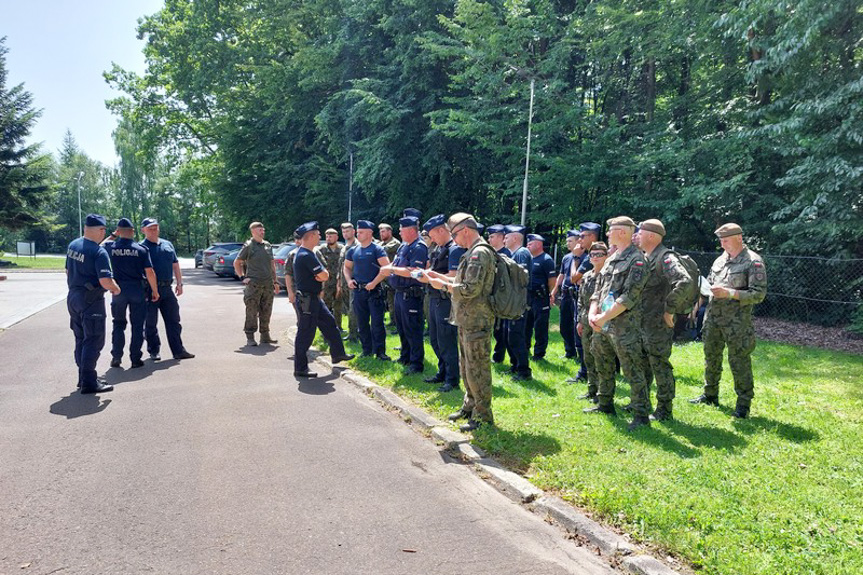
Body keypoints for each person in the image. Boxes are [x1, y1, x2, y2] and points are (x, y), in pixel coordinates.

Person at [427, 213, 496, 432]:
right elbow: (462, 281)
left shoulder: (479, 253)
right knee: (466, 366)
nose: (453, 239)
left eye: (455, 234)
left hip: (477, 319)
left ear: (465, 230)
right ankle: (469, 406)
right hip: (468, 318)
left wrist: (443, 286)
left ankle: (483, 416)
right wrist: (440, 278)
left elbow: (469, 289)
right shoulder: (471, 252)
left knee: (478, 369)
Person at [691, 223, 767, 418]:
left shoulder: (753, 262)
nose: (722, 244)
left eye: (725, 240)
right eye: (721, 241)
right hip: (713, 318)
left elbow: (758, 295)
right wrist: (697, 305)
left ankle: (743, 405)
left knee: (739, 361)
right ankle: (710, 394)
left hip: (737, 323)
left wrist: (730, 293)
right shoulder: (719, 260)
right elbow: (707, 284)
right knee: (711, 357)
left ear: (739, 238)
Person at [586, 216, 651, 431]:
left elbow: (629, 297)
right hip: (603, 324)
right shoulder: (613, 257)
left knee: (632, 369)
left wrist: (603, 317)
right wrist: (593, 313)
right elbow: (599, 289)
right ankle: (605, 404)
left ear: (622, 232)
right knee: (602, 363)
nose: (607, 234)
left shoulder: (637, 260)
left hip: (624, 326)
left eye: (610, 230)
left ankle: (641, 415)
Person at [637, 219, 693, 421]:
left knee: (659, 365)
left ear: (651, 235)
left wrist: (669, 310)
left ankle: (664, 410)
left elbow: (684, 281)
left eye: (640, 232)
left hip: (658, 324)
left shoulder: (665, 257)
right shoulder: (646, 257)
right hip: (642, 322)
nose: (637, 235)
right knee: (642, 364)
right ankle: (642, 403)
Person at [66, 213, 121, 393]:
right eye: (103, 230)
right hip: (91, 300)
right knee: (94, 340)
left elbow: (67, 271)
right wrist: (116, 289)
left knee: (80, 339)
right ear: (101, 230)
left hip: (73, 297)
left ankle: (83, 377)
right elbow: (106, 281)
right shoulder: (98, 252)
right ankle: (89, 382)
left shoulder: (73, 245)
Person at [291, 221, 355, 377]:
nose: (320, 236)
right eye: (318, 234)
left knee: (330, 323)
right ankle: (300, 368)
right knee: (305, 334)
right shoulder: (306, 255)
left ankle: (338, 354)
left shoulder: (307, 252)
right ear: (311, 236)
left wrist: (321, 275)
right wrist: (322, 274)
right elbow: (324, 275)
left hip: (313, 300)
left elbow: (322, 275)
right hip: (308, 301)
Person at [416, 214, 464, 392]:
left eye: (432, 234)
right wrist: (425, 273)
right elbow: (435, 270)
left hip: (447, 300)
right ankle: (443, 372)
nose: (431, 238)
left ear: (442, 230)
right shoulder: (438, 249)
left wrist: (430, 277)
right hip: (435, 298)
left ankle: (452, 379)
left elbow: (454, 276)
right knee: (435, 340)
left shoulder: (455, 249)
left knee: (446, 340)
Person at [106, 217, 159, 368]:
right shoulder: (141, 249)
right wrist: (155, 291)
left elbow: (98, 245)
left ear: (119, 231)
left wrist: (113, 235)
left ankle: (116, 357)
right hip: (137, 290)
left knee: (118, 324)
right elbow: (150, 272)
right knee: (137, 325)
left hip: (118, 290)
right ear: (133, 232)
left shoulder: (111, 247)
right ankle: (135, 358)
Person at [141, 218, 195, 361]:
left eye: (155, 227)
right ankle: (154, 350)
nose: (153, 230)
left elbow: (175, 265)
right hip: (149, 290)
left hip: (167, 289)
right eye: (150, 228)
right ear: (143, 230)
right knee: (150, 323)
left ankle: (178, 350)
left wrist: (179, 283)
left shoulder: (167, 244)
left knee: (174, 321)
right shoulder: (141, 247)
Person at [382, 215, 429, 374]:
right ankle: (405, 356)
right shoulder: (404, 246)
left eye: (402, 230)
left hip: (411, 294)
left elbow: (415, 272)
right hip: (399, 293)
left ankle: (416, 364)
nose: (400, 232)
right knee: (401, 327)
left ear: (410, 230)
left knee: (413, 329)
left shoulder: (419, 247)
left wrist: (392, 270)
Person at [344, 220, 391, 360]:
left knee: (377, 323)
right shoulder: (353, 250)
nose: (358, 233)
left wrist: (374, 282)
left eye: (361, 232)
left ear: (370, 233)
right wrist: (348, 280)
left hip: (374, 291)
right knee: (362, 323)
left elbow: (386, 269)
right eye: (358, 231)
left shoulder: (377, 249)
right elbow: (346, 267)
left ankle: (380, 352)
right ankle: (366, 350)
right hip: (359, 291)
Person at [233, 222, 280, 346]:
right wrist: (243, 277)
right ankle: (250, 336)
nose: (262, 231)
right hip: (254, 285)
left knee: (267, 311)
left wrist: (275, 281)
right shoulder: (249, 246)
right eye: (259, 230)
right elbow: (237, 262)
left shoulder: (268, 245)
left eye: (263, 229)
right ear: (253, 231)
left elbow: (272, 264)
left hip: (268, 284)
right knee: (252, 312)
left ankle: (265, 336)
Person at [567, 222, 602, 383]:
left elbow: (574, 278)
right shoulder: (590, 254)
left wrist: (575, 258)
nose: (579, 240)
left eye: (582, 236)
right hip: (584, 302)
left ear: (592, 236)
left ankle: (586, 373)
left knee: (586, 341)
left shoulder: (592, 256)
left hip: (590, 305)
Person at [576, 242, 609, 401]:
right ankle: (592, 389)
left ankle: (602, 393)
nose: (595, 257)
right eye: (592, 255)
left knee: (600, 357)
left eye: (599, 254)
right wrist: (580, 321)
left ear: (606, 256)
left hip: (600, 322)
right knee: (588, 356)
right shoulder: (587, 276)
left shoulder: (608, 276)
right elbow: (581, 300)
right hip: (585, 320)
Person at [504, 224, 532, 380]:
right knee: (511, 336)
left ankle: (523, 370)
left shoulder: (521, 253)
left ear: (515, 238)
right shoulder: (515, 254)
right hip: (513, 301)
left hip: (519, 302)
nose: (504, 240)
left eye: (507, 237)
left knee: (516, 336)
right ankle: (515, 366)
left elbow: (521, 278)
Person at [550, 230, 582, 360]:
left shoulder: (584, 257)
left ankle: (581, 354)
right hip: (565, 294)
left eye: (570, 241)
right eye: (567, 241)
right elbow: (561, 275)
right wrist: (553, 291)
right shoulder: (566, 257)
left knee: (577, 325)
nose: (567, 243)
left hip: (577, 294)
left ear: (578, 241)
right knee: (564, 325)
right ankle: (569, 351)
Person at [525, 234, 556, 360]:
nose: (527, 245)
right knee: (526, 325)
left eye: (530, 243)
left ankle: (539, 353)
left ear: (538, 244)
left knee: (540, 326)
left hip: (541, 298)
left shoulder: (546, 260)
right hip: (529, 298)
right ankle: (525, 349)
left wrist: (550, 294)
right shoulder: (529, 258)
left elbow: (552, 281)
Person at [486, 224, 511, 363]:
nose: (489, 239)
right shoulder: (492, 253)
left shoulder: (507, 255)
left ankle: (499, 356)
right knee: (495, 328)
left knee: (501, 328)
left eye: (492, 236)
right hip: (492, 296)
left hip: (502, 297)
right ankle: (497, 355)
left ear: (502, 237)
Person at [337, 222, 359, 340]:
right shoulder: (344, 247)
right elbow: (341, 266)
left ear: (353, 232)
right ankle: (354, 331)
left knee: (353, 309)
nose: (345, 234)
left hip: (353, 281)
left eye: (348, 231)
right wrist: (338, 282)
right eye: (343, 232)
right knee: (348, 308)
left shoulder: (358, 246)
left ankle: (354, 334)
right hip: (344, 283)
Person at [378, 223, 401, 330]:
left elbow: (384, 249)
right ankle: (393, 320)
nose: (381, 234)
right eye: (380, 232)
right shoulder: (381, 243)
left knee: (396, 301)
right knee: (389, 300)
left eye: (383, 231)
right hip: (385, 278)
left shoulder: (395, 243)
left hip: (394, 276)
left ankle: (398, 322)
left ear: (389, 232)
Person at [320, 228, 344, 329]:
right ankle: (325, 327)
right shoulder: (322, 249)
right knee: (326, 306)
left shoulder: (342, 249)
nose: (328, 239)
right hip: (326, 283)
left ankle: (338, 327)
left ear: (336, 237)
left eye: (331, 236)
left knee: (338, 306)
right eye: (327, 236)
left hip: (339, 282)